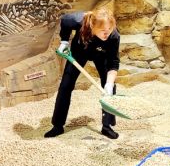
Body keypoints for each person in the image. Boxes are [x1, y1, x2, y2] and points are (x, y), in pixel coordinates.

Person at [44, 8, 120, 140]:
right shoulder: (80, 21)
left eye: (109, 29)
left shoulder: (113, 36)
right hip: (79, 51)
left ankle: (107, 126)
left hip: (101, 55)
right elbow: (65, 20)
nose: (106, 33)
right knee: (65, 85)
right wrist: (64, 41)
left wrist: (109, 83)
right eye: (103, 30)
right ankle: (57, 125)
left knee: (109, 88)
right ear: (93, 26)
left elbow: (113, 63)